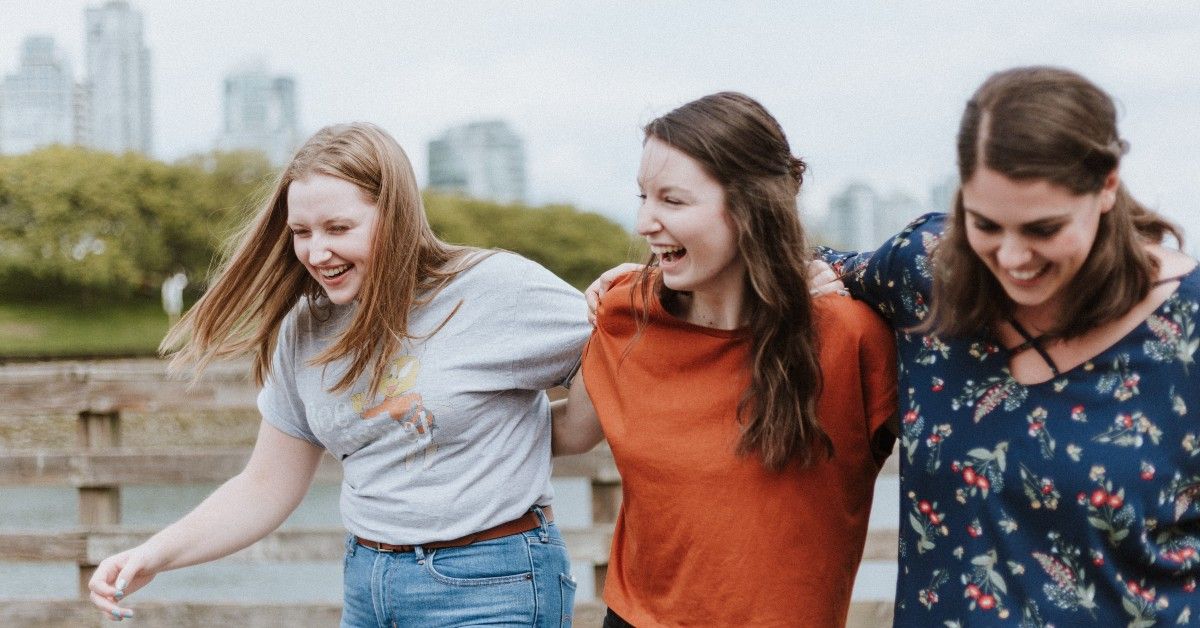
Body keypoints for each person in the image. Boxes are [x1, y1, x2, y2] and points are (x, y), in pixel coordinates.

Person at [87, 122, 589, 627]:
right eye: (301, 233)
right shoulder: (306, 329)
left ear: (394, 216)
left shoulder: (493, 289)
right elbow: (266, 485)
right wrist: (154, 554)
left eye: (338, 228)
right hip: (369, 585)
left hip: (491, 586)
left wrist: (552, 426)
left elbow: (619, 357)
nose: (316, 253)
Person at [553, 92, 898, 627]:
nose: (645, 222)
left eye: (672, 200)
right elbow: (567, 433)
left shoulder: (850, 337)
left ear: (751, 207)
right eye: (642, 197)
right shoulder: (626, 316)